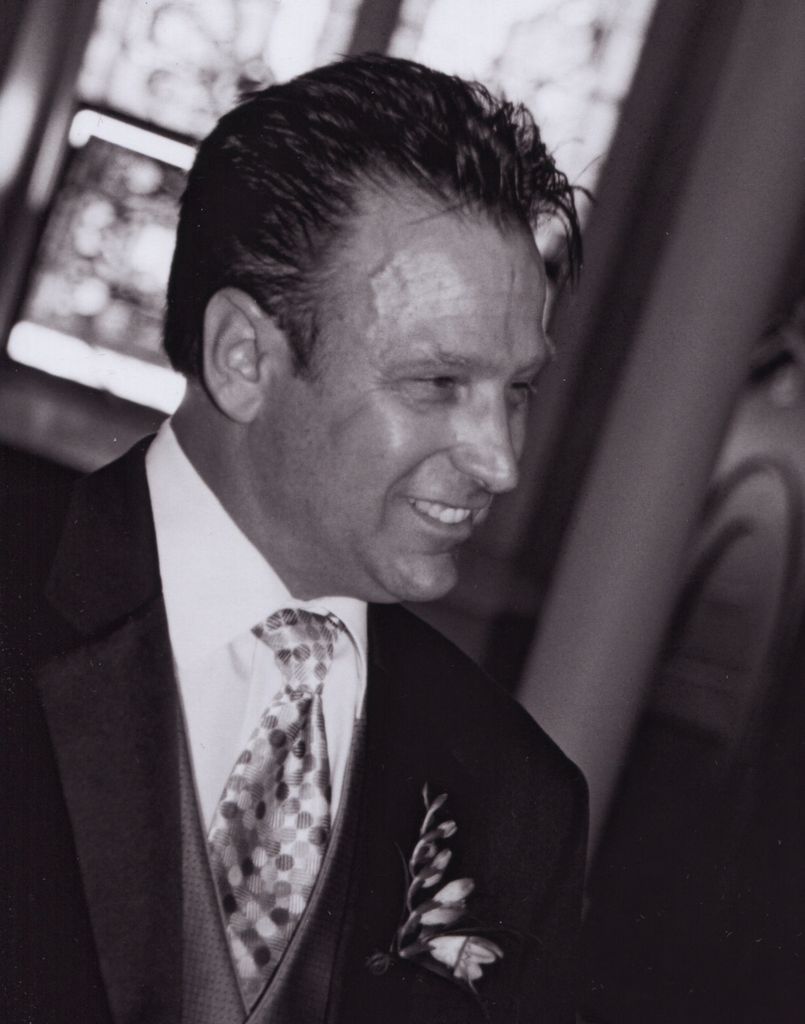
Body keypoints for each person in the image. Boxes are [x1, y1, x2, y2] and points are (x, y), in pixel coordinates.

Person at [4, 54, 588, 1024]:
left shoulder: (519, 795)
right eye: (436, 383)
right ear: (243, 358)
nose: (498, 461)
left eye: (516, 389)